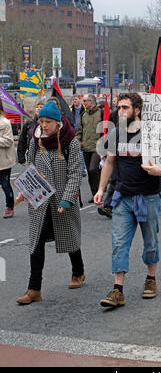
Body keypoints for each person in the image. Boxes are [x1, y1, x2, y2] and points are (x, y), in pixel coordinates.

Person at [94, 92, 161, 308]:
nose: (121, 111)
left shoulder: (152, 133)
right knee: (119, 244)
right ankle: (117, 290)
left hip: (149, 197)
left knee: (150, 244)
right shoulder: (115, 133)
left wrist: (160, 170)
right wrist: (101, 189)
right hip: (123, 197)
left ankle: (151, 279)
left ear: (137, 110)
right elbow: (109, 163)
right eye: (119, 107)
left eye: (125, 107)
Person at [16, 101, 85, 305]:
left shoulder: (70, 141)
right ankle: (34, 288)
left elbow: (74, 173)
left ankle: (78, 271)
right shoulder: (35, 139)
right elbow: (31, 167)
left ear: (57, 122)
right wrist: (25, 191)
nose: (44, 125)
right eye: (41, 121)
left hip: (62, 197)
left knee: (68, 235)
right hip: (40, 198)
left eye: (48, 122)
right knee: (36, 242)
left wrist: (68, 198)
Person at [75, 94, 103, 202]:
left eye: (85, 101)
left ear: (91, 101)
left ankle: (99, 190)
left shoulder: (100, 113)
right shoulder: (83, 115)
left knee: (92, 169)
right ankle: (95, 194)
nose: (84, 103)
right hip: (86, 148)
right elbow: (79, 130)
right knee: (90, 174)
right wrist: (78, 140)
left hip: (98, 147)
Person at [0, 99, 17, 218]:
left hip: (4, 160)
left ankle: (9, 206)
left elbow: (9, 141)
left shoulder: (5, 122)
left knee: (5, 185)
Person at [17, 100, 45, 166]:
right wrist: (21, 158)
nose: (39, 108)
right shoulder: (29, 123)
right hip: (32, 155)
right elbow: (22, 141)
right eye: (37, 107)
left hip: (45, 156)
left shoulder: (48, 122)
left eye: (41, 107)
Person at [70, 93, 87, 177]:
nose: (74, 101)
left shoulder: (84, 109)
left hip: (83, 131)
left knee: (81, 150)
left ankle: (83, 169)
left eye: (76, 99)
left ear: (80, 99)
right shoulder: (70, 109)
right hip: (73, 131)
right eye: (73, 100)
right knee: (74, 150)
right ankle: (75, 168)